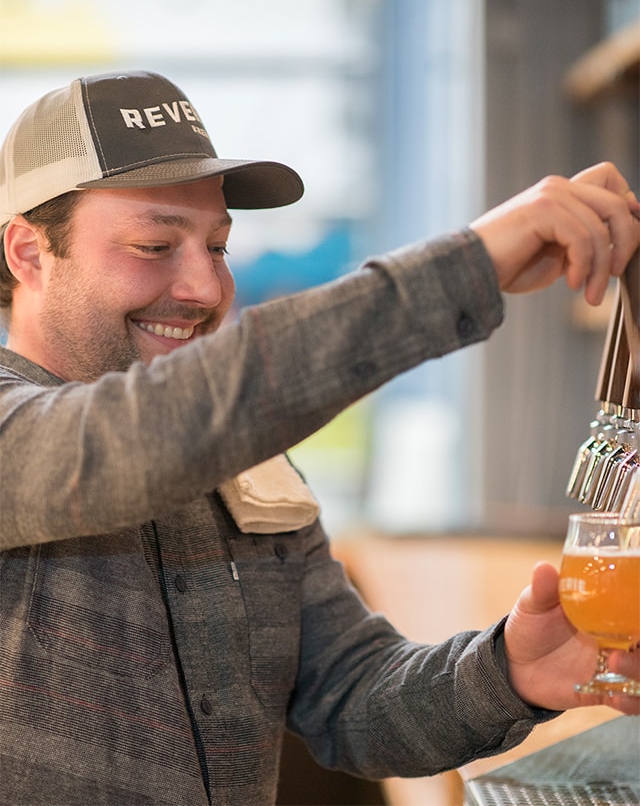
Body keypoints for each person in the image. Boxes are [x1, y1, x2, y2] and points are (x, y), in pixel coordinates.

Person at [0, 70, 638, 806]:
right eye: (152, 245)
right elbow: (143, 434)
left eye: (217, 246)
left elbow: (353, 699)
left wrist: (509, 674)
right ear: (27, 253)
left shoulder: (240, 465)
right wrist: (471, 264)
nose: (206, 288)